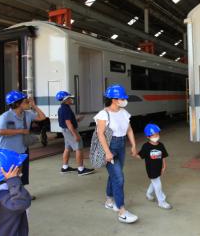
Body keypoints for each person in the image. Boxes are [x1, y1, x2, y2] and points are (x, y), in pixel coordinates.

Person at [94, 84, 138, 224]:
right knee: (119, 178)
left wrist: (133, 145)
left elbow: (129, 130)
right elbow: (100, 134)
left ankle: (109, 200)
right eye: (121, 98)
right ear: (113, 99)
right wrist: (107, 152)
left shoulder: (124, 113)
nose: (124, 100)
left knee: (114, 175)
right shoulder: (103, 114)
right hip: (110, 146)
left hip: (121, 145)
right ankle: (122, 211)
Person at [0, 90, 46, 199]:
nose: (28, 103)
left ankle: (19, 193)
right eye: (26, 101)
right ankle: (9, 195)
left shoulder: (27, 114)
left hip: (21, 149)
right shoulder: (6, 116)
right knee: (8, 174)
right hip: (7, 150)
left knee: (20, 173)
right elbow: (0, 131)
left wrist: (34, 106)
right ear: (18, 104)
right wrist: (21, 131)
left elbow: (42, 117)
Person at [56, 91, 94, 176]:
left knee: (67, 148)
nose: (71, 99)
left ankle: (65, 167)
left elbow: (67, 121)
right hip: (70, 131)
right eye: (69, 98)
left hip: (65, 131)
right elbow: (68, 123)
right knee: (79, 148)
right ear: (65, 99)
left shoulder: (62, 108)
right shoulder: (66, 109)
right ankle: (81, 169)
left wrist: (76, 120)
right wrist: (75, 135)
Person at [137, 124, 172, 209]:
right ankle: (161, 201)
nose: (157, 136)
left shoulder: (161, 145)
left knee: (155, 181)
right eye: (154, 135)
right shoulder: (146, 146)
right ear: (148, 136)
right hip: (151, 169)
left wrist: (164, 166)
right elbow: (140, 156)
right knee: (157, 183)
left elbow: (163, 156)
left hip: (159, 167)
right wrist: (134, 154)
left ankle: (148, 194)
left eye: (157, 134)